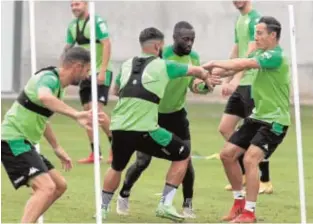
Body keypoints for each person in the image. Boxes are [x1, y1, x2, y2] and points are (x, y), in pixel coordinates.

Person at [98, 27, 221, 222]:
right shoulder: (164, 65)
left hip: (119, 126)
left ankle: (102, 208)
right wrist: (207, 78)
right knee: (182, 154)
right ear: (158, 45)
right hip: (145, 128)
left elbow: (115, 90)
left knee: (116, 166)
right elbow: (197, 70)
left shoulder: (127, 64)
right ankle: (165, 204)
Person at [1, 47, 104, 223]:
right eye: (87, 70)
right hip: (13, 140)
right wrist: (76, 114)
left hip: (25, 143)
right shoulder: (48, 79)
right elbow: (44, 97)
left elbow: (43, 118)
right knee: (46, 188)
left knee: (59, 186)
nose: (87, 76)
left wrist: (57, 147)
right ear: (77, 67)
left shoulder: (59, 87)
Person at [203, 16, 290, 223]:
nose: (256, 37)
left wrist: (214, 62)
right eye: (255, 33)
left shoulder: (275, 56)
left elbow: (244, 62)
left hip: (275, 120)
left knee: (251, 159)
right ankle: (238, 204)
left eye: (260, 33)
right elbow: (235, 67)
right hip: (258, 116)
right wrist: (207, 73)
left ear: (273, 35)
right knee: (227, 154)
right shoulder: (260, 52)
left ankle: (249, 213)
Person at [216, 0, 273, 194]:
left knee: (257, 133)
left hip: (251, 83)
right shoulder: (240, 20)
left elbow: (249, 54)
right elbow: (236, 50)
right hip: (240, 83)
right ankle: (242, 172)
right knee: (225, 128)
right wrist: (226, 77)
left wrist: (236, 79)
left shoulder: (255, 20)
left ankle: (264, 179)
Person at [64, 0, 113, 164]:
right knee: (87, 112)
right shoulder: (72, 26)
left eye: (77, 4)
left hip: (100, 71)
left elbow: (107, 44)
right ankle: (95, 153)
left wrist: (103, 70)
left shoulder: (97, 22)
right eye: (71, 5)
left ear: (86, 4)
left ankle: (116, 146)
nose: (74, 8)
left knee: (96, 112)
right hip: (85, 73)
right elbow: (67, 48)